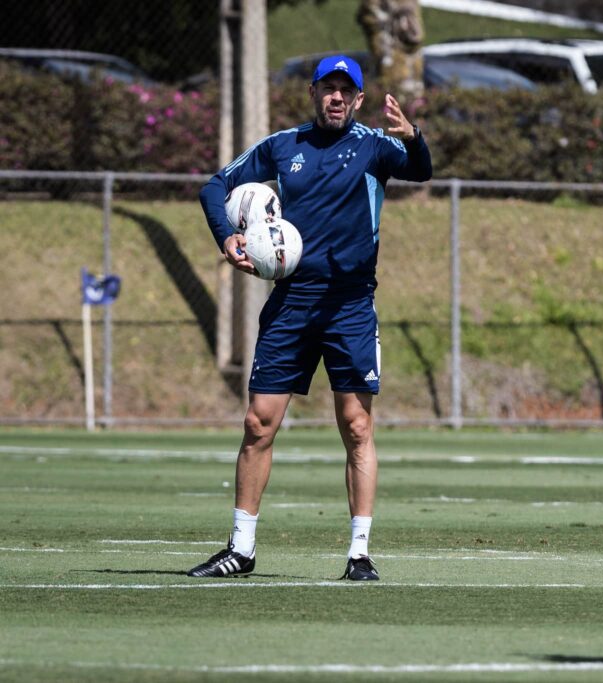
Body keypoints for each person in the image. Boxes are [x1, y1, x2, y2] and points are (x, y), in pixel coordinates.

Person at [188, 54, 432, 581]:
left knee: (356, 425)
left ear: (360, 98)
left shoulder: (375, 145)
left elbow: (421, 169)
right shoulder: (283, 146)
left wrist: (413, 135)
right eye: (328, 88)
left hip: (350, 306)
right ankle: (241, 548)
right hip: (292, 303)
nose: (337, 97)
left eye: (347, 89)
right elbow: (214, 186)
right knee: (258, 423)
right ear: (313, 92)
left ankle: (360, 553)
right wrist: (226, 236)